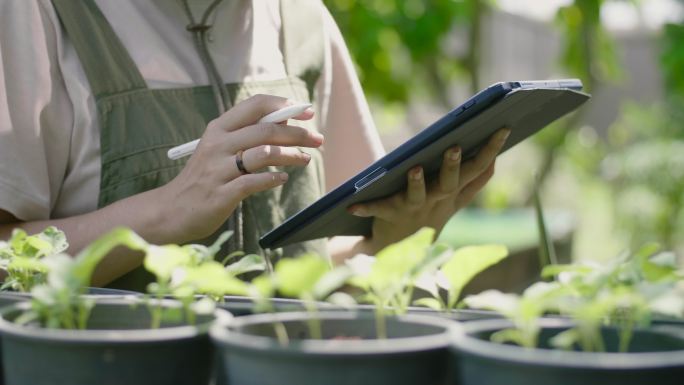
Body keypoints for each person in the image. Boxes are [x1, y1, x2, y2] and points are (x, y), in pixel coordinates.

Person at [0, 0, 508, 291]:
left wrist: (390, 241)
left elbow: (328, 257)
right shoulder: (38, 15)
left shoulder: (301, 20)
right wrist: (161, 214)